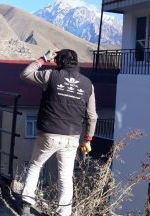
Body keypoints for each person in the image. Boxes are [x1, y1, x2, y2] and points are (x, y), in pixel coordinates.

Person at [19, 49, 98, 216]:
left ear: (59, 62)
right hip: (72, 138)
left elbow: (25, 74)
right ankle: (64, 212)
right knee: (65, 176)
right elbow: (92, 116)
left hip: (48, 134)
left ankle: (26, 202)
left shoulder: (51, 76)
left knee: (35, 165)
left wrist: (43, 58)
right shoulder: (87, 84)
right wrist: (88, 139)